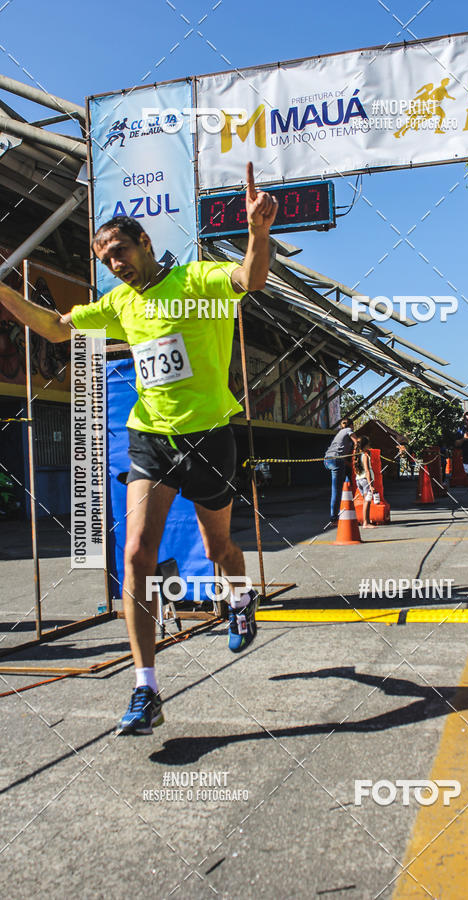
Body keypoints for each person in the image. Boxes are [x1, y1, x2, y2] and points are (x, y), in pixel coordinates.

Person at [0, 162, 278, 735]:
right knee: (134, 557)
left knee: (219, 544)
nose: (115, 265)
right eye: (106, 260)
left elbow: (250, 279)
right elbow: (54, 327)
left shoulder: (198, 282)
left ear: (145, 243)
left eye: (121, 252)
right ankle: (145, 688)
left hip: (209, 436)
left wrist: (257, 231)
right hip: (150, 436)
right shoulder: (119, 306)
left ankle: (240, 597)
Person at [324, 417, 357, 525]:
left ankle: (347, 506)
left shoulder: (339, 433)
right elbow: (357, 442)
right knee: (336, 490)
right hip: (336, 460)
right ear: (351, 425)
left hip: (327, 460)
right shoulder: (348, 430)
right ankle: (334, 518)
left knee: (346, 475)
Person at [353, 436, 376, 528]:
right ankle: (366, 522)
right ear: (365, 445)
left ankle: (366, 519)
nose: (370, 446)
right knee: (367, 501)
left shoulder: (358, 455)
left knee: (365, 500)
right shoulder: (365, 456)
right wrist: (370, 484)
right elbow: (367, 470)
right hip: (366, 480)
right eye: (368, 445)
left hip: (359, 479)